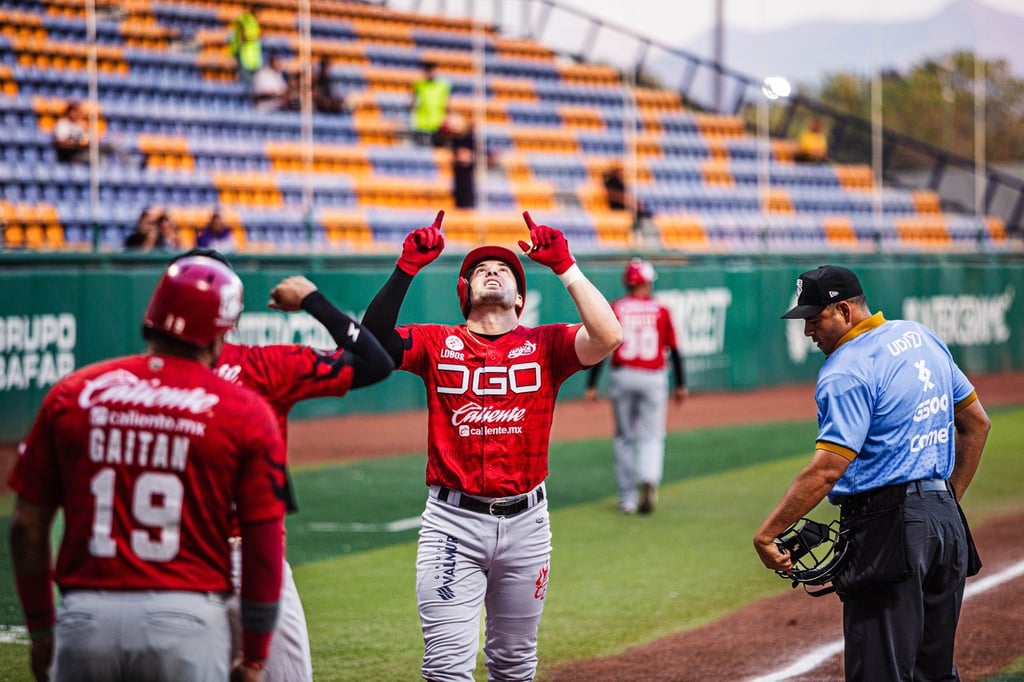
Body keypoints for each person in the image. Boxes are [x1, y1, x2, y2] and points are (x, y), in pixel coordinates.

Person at [361, 209, 622, 682]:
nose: (493, 271)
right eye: (480, 269)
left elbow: (608, 335)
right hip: (451, 525)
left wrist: (566, 267)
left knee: (515, 664)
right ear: (465, 292)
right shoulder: (437, 343)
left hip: (527, 524)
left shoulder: (546, 345)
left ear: (520, 298)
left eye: (504, 269)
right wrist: (406, 269)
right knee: (446, 668)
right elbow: (370, 341)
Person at [8, 254, 287, 682]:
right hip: (187, 619)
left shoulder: (74, 392)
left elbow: (26, 524)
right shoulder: (245, 411)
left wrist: (43, 629)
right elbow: (263, 544)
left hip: (86, 619)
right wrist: (253, 656)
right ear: (219, 333)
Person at [753, 264, 991, 681]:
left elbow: (827, 470)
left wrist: (767, 533)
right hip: (946, 526)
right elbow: (977, 423)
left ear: (843, 310)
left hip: (889, 532)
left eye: (814, 320)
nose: (809, 332)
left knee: (879, 672)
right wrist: (942, 504)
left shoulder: (845, 369)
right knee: (933, 673)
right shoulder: (921, 337)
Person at [206, 252, 395, 682]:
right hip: (246, 558)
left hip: (168, 565)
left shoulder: (137, 382)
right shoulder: (263, 368)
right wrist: (313, 300)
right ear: (232, 310)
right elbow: (375, 363)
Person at [585, 257, 686, 515]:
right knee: (652, 435)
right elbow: (673, 349)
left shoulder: (616, 308)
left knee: (625, 438)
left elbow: (603, 345)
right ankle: (649, 477)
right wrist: (681, 384)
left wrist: (592, 383)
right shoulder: (660, 310)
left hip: (623, 375)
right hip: (653, 377)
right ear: (644, 283)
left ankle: (627, 498)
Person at [53, 100, 134, 166]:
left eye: (78, 112)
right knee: (100, 159)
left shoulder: (81, 125)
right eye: (75, 111)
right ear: (69, 112)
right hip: (74, 155)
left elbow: (91, 139)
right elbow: (60, 142)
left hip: (87, 150)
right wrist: (78, 142)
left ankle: (132, 165)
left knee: (112, 144)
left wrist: (89, 135)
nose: (77, 114)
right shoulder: (62, 124)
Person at [410, 61, 451, 147]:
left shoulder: (443, 86)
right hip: (422, 124)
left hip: (438, 123)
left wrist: (446, 118)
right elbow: (413, 103)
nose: (431, 73)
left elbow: (447, 104)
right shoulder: (419, 85)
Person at [229, 5, 263, 84]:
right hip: (244, 52)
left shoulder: (253, 21)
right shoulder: (246, 20)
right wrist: (254, 38)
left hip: (251, 55)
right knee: (245, 79)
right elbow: (244, 36)